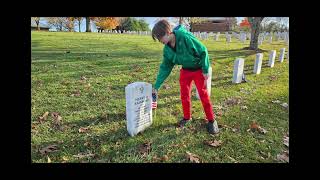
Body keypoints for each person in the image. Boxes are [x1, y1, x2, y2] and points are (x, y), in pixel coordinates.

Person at [151, 19, 219, 134]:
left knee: (203, 95)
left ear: (168, 32)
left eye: (160, 37)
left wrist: (205, 69)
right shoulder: (167, 49)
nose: (159, 41)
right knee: (184, 95)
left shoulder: (185, 37)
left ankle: (212, 120)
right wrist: (156, 86)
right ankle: (187, 117)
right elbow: (165, 68)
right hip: (185, 71)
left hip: (198, 70)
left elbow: (203, 50)